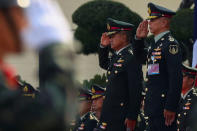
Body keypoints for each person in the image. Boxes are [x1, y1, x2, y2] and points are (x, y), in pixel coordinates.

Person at [135, 2, 183, 131]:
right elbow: (140, 58)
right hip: (153, 107)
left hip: (164, 109)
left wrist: (171, 107)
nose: (149, 23)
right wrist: (139, 40)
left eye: (153, 20)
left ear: (164, 23)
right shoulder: (155, 45)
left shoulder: (170, 45)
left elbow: (176, 78)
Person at [97, 18, 143, 131]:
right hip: (110, 115)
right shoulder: (118, 56)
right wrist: (103, 47)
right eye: (109, 36)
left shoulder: (131, 57)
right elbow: (104, 64)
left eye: (112, 36)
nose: (110, 39)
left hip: (121, 117)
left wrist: (132, 116)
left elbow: (135, 90)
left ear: (123, 36)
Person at [177, 64, 197, 131]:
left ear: (191, 81)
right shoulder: (175, 97)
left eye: (182, 77)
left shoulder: (195, 99)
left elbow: (193, 125)